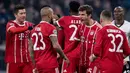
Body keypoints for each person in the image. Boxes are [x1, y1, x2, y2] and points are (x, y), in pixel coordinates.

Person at [30, 7, 70, 73]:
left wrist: (34, 65)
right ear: (49, 15)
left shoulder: (33, 30)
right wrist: (64, 57)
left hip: (39, 65)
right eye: (53, 14)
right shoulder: (51, 28)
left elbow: (31, 50)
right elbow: (56, 46)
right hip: (50, 64)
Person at [5, 4, 34, 73]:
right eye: (21, 13)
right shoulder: (10, 24)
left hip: (27, 61)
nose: (23, 15)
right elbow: (14, 31)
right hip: (13, 61)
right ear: (15, 15)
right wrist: (28, 28)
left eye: (24, 13)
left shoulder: (29, 24)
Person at [56, 1, 81, 73]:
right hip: (82, 54)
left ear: (69, 10)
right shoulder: (84, 20)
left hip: (68, 54)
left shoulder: (64, 19)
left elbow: (55, 25)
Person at [78, 5, 102, 73]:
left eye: (83, 15)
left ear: (89, 15)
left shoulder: (99, 29)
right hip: (82, 63)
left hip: (93, 63)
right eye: (79, 14)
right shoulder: (81, 27)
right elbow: (76, 43)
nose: (80, 17)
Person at [112, 6, 130, 73]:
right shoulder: (110, 25)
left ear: (123, 13)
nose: (117, 13)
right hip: (112, 59)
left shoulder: (128, 26)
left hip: (126, 59)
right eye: (115, 12)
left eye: (119, 11)